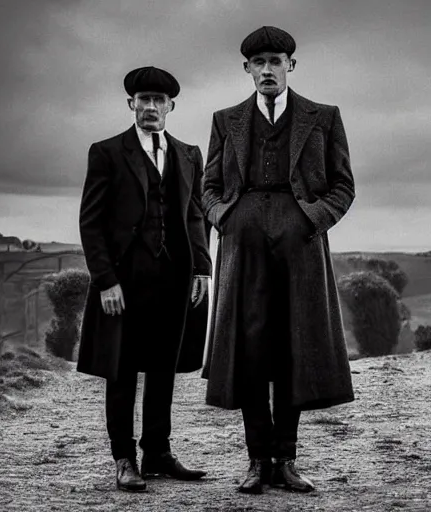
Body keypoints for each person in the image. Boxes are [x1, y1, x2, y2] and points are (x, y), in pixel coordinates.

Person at [202, 26, 355, 495]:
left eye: (276, 60)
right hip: (242, 246)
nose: (267, 69)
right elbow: (207, 187)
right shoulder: (225, 119)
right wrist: (224, 218)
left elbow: (343, 186)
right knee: (249, 351)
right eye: (258, 62)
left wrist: (311, 219)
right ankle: (256, 460)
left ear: (291, 64)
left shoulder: (323, 117)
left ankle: (285, 461)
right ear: (247, 69)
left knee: (295, 347)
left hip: (301, 244)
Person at [77, 66, 212, 492]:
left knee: (162, 369)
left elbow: (195, 214)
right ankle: (124, 458)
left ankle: (157, 451)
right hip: (124, 280)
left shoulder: (189, 153)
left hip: (174, 278)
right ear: (131, 104)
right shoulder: (106, 152)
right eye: (143, 99)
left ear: (171, 106)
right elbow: (91, 222)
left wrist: (202, 267)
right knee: (121, 371)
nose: (150, 106)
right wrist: (105, 280)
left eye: (158, 100)